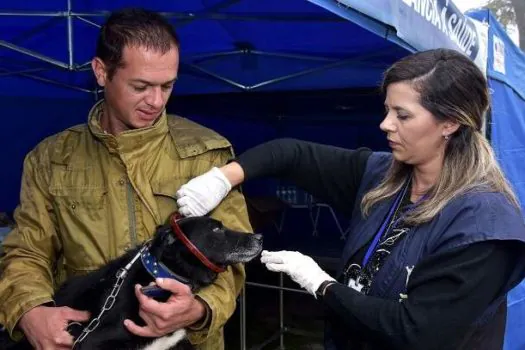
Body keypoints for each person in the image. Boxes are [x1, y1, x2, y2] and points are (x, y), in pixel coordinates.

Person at [175, 49, 525, 349]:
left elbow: (416, 332)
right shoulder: (381, 174)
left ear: (449, 123)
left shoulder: (484, 225)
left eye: (402, 115)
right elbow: (290, 153)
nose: (385, 124)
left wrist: (322, 285)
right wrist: (222, 178)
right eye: (387, 110)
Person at [0, 8, 252, 350]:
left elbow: (233, 255)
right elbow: (28, 251)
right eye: (141, 86)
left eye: (167, 86)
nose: (156, 101)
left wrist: (199, 309)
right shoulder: (52, 159)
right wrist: (30, 310)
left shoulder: (206, 156)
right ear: (101, 72)